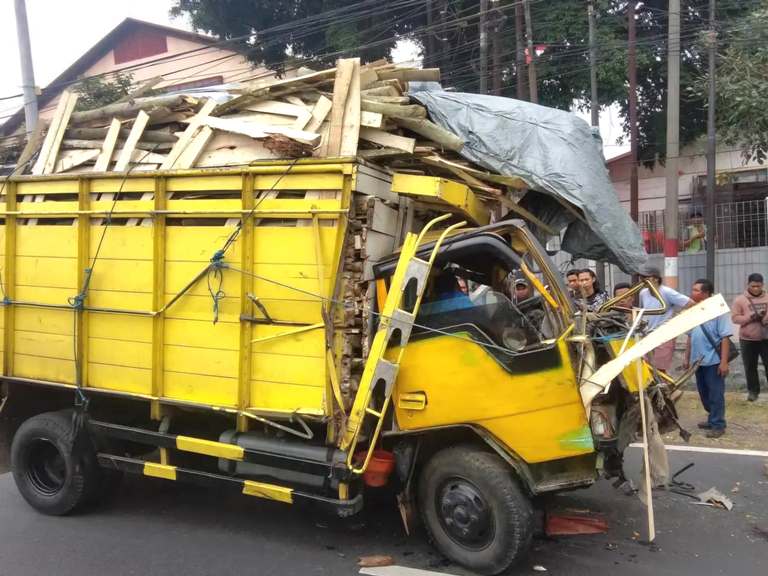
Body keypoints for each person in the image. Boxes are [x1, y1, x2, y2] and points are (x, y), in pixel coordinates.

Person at [683, 279, 732, 438]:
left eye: (696, 290)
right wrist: (686, 357)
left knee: (715, 393)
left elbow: (725, 337)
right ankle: (712, 418)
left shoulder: (719, 310)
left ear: (705, 293)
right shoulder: (694, 310)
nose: (692, 292)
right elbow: (690, 336)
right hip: (698, 361)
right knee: (704, 393)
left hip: (713, 361)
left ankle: (718, 424)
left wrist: (724, 362)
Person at [638, 265, 693, 372]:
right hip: (647, 334)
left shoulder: (667, 292)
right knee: (646, 367)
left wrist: (677, 320)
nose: (642, 280)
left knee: (660, 369)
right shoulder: (643, 293)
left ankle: (664, 387)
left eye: (645, 277)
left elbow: (690, 303)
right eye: (641, 277)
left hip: (664, 334)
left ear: (655, 278)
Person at [732, 273, 768, 402]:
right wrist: (751, 317)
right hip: (748, 339)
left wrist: (765, 318)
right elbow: (735, 318)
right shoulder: (740, 300)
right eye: (753, 286)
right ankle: (753, 391)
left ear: (762, 285)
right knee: (750, 366)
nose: (756, 289)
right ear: (748, 285)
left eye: (758, 286)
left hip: (766, 338)